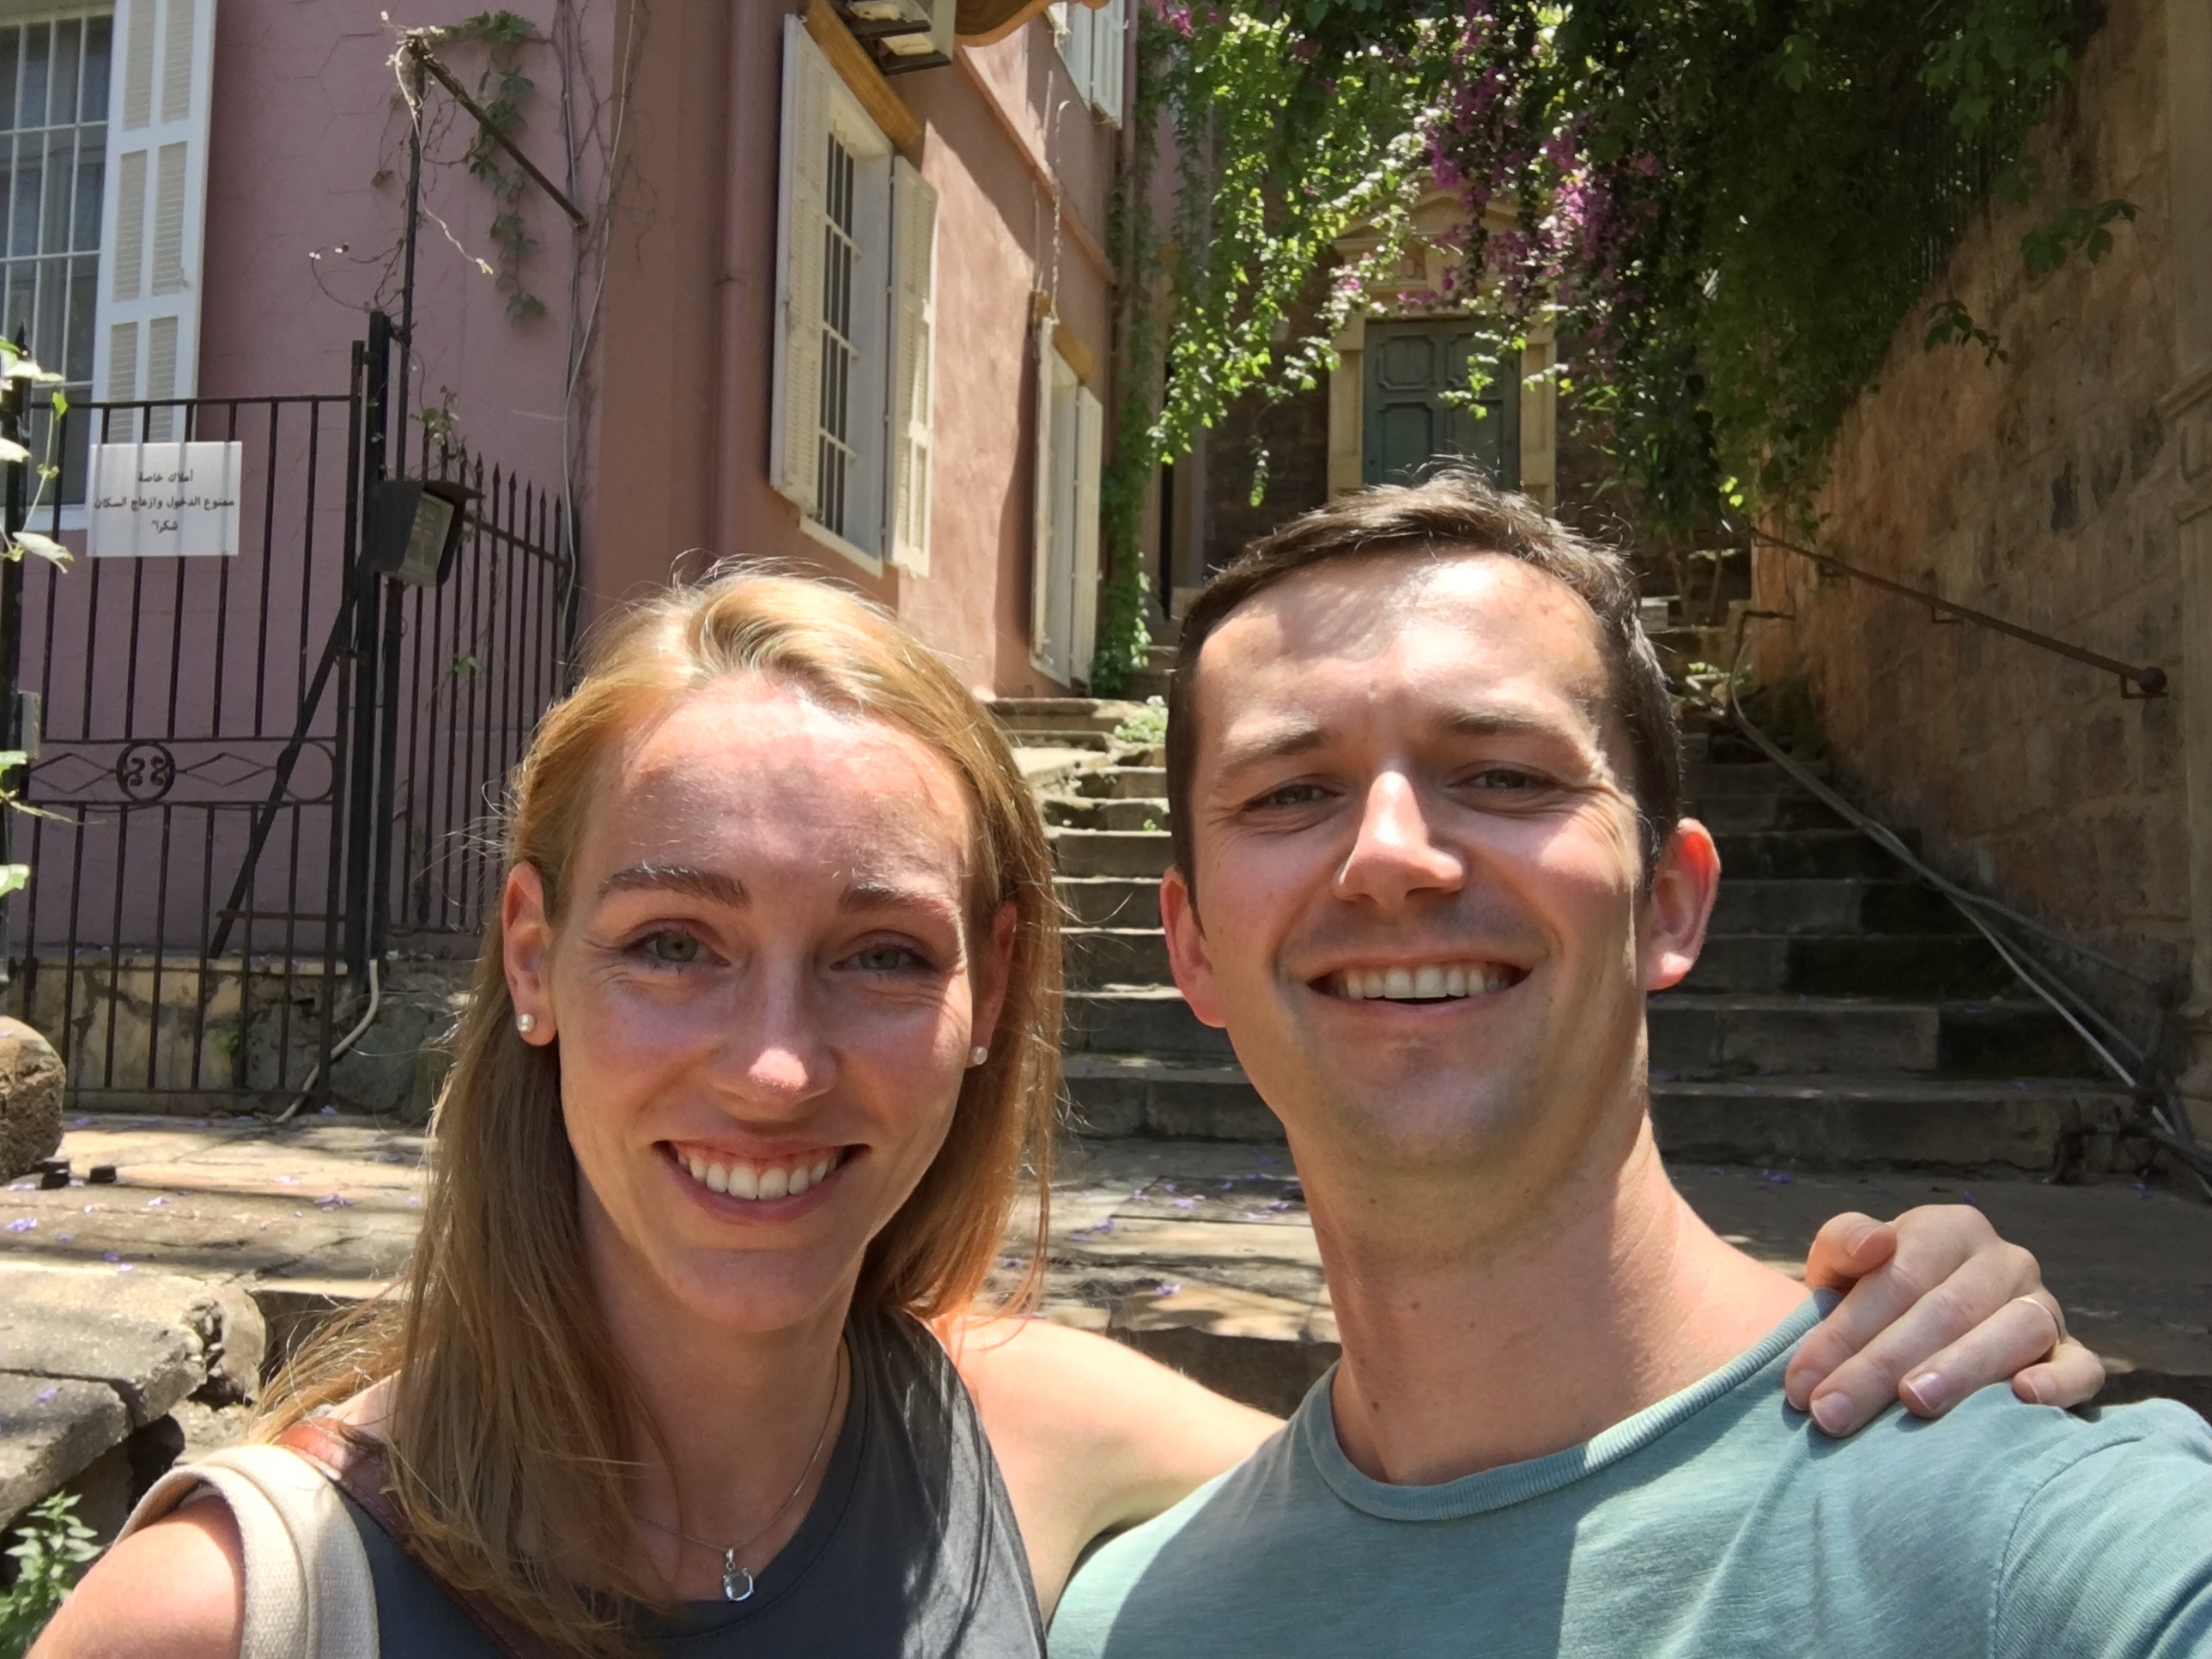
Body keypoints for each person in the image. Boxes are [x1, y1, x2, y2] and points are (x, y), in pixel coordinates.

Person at [38, 572, 2103, 1659]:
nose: (776, 1064)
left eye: (878, 953)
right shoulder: (227, 1613)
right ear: (531, 960)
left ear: (988, 996)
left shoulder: (1034, 1442)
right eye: (674, 943)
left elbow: (1524, 1502)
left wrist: (1880, 1311)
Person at [1049, 474, 2212, 1658]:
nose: (1390, 856)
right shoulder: (1122, 1627)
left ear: (1669, 904)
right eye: (1292, 792)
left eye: (1505, 775)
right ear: (1193, 948)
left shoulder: (2042, 1538)